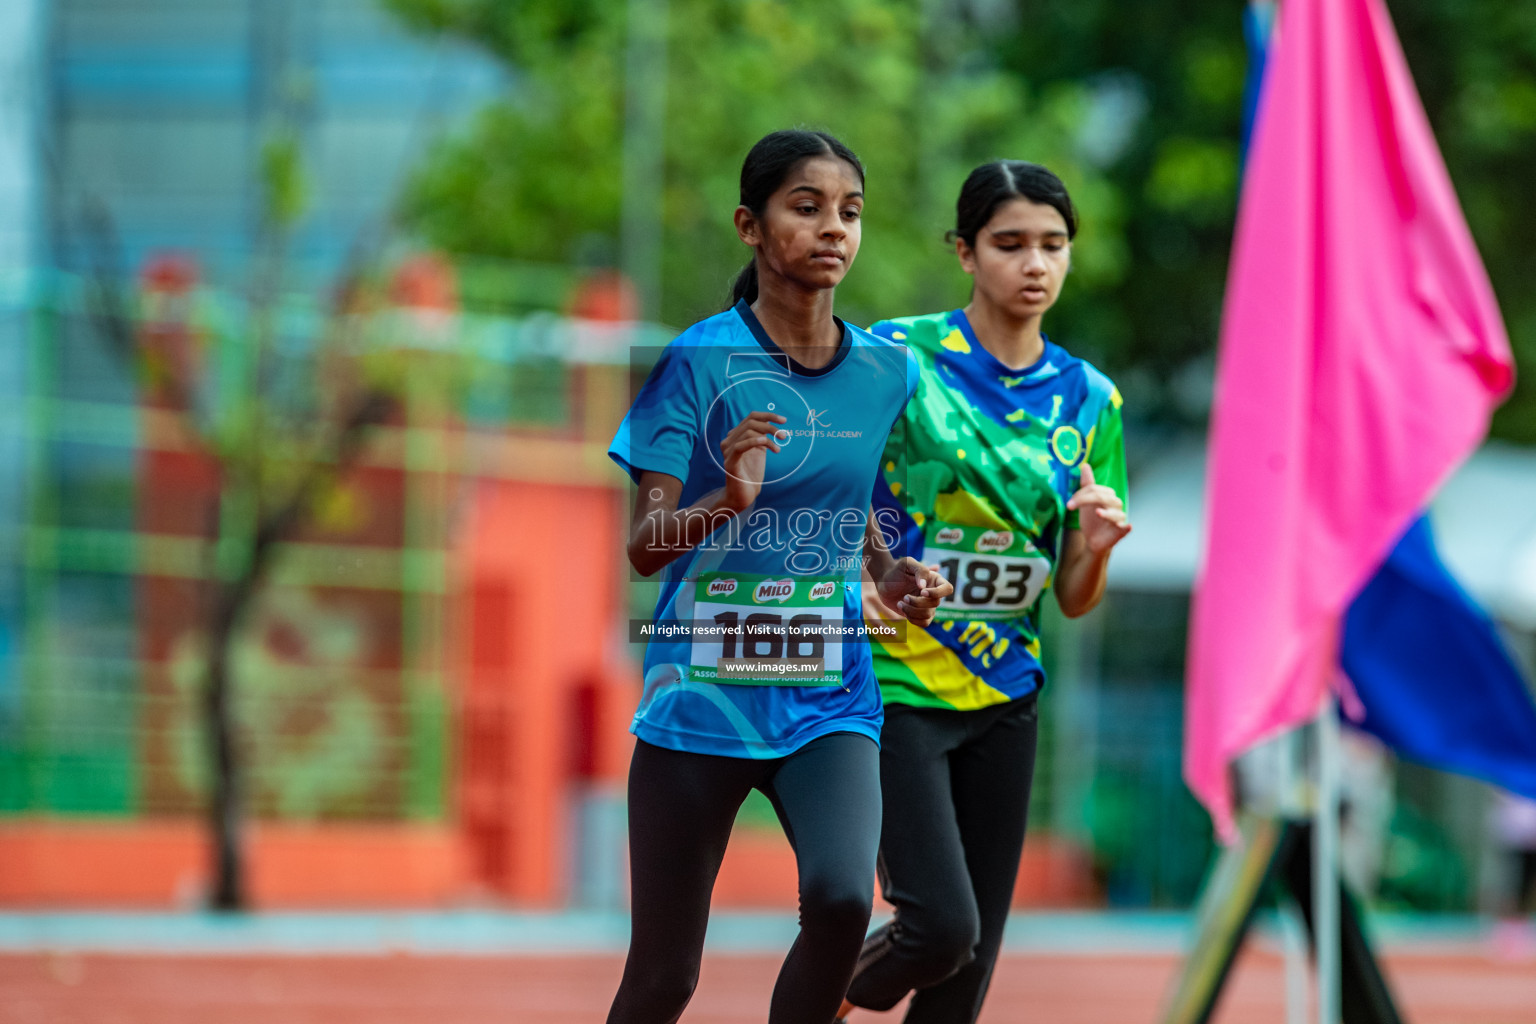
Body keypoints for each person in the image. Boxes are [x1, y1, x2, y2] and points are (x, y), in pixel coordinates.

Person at [605, 128, 953, 1024]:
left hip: (828, 689)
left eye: (851, 212)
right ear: (750, 227)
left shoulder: (885, 371)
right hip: (700, 695)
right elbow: (645, 546)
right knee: (662, 980)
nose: (834, 228)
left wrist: (892, 568)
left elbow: (866, 509)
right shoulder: (700, 362)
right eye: (807, 207)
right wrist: (726, 499)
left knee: (844, 902)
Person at [840, 160, 1131, 1024]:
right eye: (1009, 244)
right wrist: (862, 579)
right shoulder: (896, 358)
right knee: (939, 930)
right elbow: (824, 486)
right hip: (895, 679)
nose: (1034, 264)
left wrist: (1097, 547)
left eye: (1053, 245)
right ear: (964, 252)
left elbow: (1074, 597)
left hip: (1008, 695)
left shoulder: (1092, 401)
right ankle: (815, 997)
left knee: (966, 976)